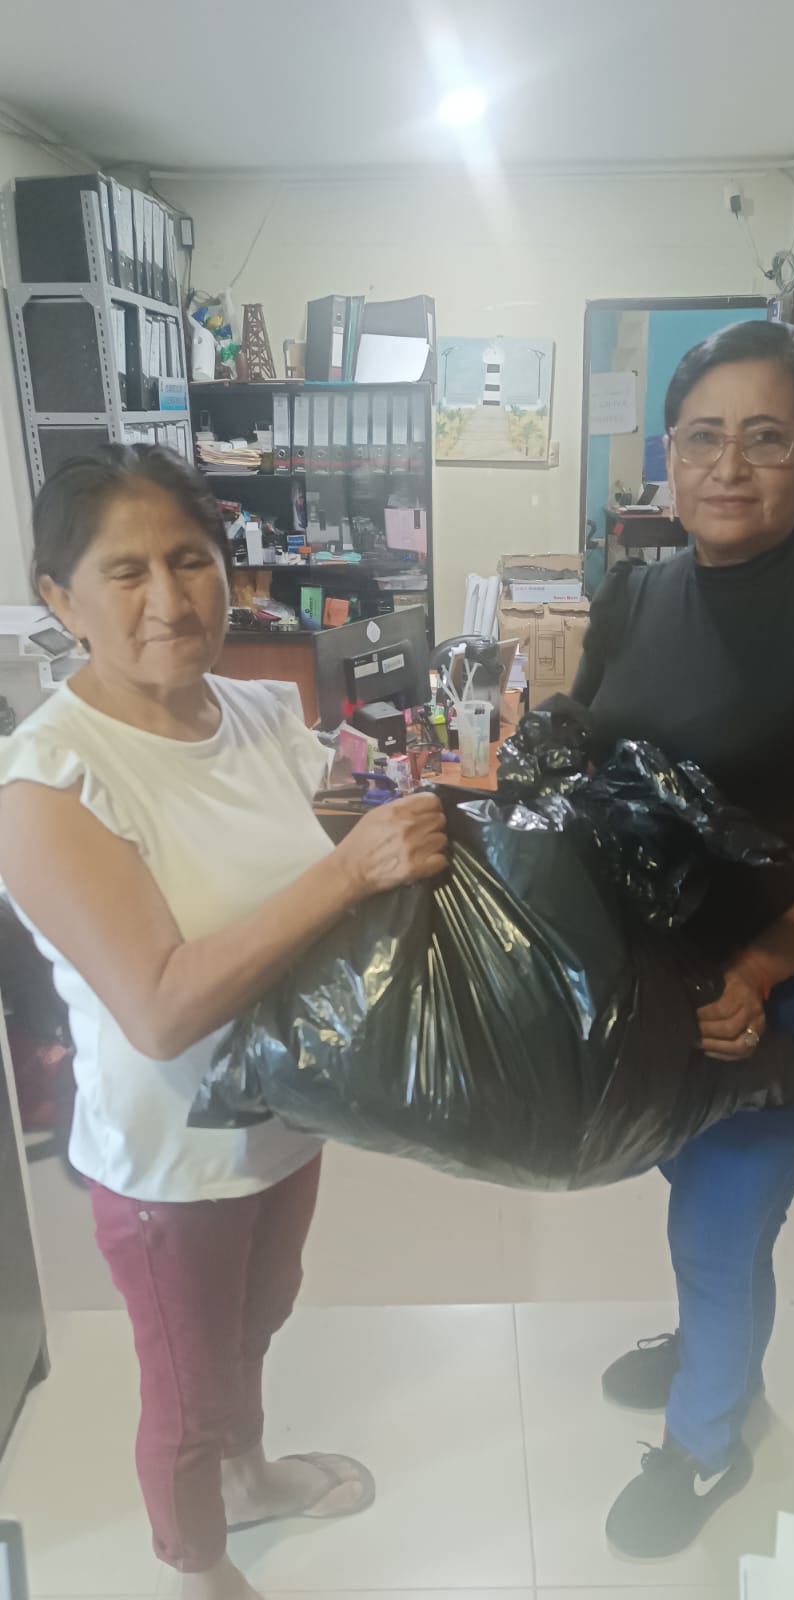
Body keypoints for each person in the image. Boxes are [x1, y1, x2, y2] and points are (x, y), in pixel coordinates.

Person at [0, 446, 448, 1600]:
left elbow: (318, 837)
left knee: (259, 1317)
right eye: (126, 571)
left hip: (285, 1111)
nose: (169, 598)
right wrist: (348, 872)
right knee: (185, 1394)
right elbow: (158, 1006)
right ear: (60, 599)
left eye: (190, 559)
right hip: (172, 1160)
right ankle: (197, 1567)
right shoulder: (46, 782)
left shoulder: (253, 707)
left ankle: (246, 1479)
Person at [571, 319, 794, 1559]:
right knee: (697, 1198)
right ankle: (713, 1339)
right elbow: (587, 748)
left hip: (792, 991)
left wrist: (759, 967)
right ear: (668, 450)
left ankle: (706, 1438)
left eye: (764, 436)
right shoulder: (634, 591)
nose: (728, 465)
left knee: (718, 1219)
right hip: (668, 982)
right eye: (703, 435)